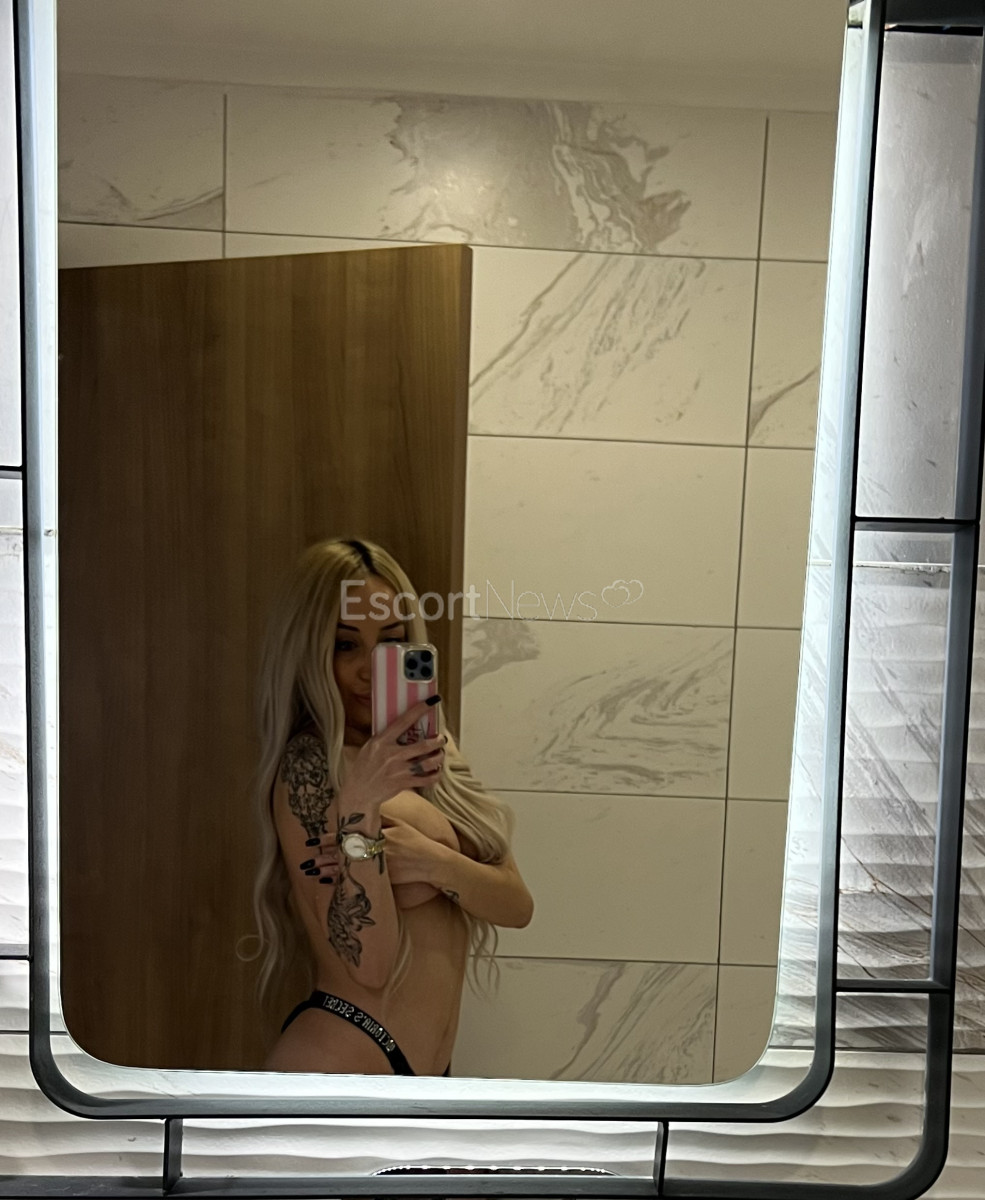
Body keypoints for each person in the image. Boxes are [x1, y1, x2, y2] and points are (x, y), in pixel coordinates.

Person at [250, 537, 533, 1076]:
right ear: (310, 651)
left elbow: (516, 906)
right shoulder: (310, 767)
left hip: (426, 1076)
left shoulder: (432, 750)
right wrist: (359, 804)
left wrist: (432, 862)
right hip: (344, 1053)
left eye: (390, 641)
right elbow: (370, 963)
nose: (368, 668)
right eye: (345, 645)